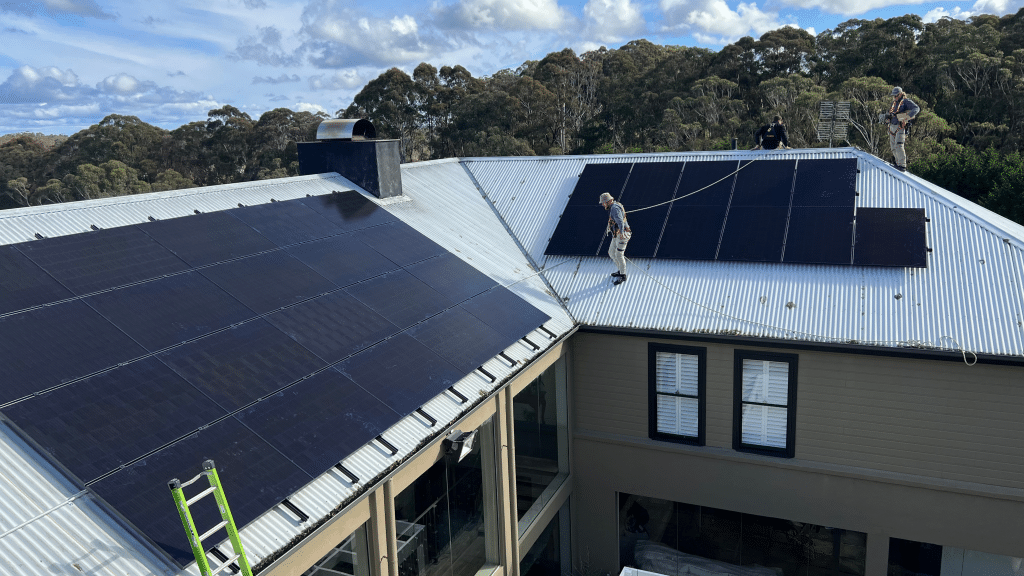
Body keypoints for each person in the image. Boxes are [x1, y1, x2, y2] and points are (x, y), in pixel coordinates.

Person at [599, 192, 631, 285]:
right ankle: (620, 270)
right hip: (616, 234)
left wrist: (621, 233)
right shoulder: (615, 206)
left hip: (622, 234)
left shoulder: (614, 209)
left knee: (619, 255)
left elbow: (620, 222)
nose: (603, 205)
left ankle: (623, 275)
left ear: (608, 201)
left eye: (603, 203)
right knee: (611, 252)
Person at [886, 86, 920, 172]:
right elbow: (891, 112)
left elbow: (916, 108)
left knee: (899, 145)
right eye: (893, 96)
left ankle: (902, 165)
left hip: (900, 127)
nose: (894, 97)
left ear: (900, 94)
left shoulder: (905, 102)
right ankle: (897, 163)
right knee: (893, 147)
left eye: (896, 95)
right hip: (892, 126)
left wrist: (907, 117)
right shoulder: (893, 103)